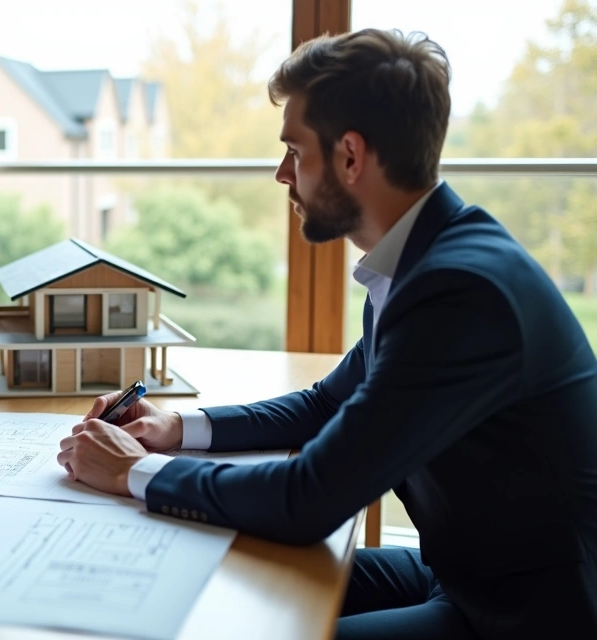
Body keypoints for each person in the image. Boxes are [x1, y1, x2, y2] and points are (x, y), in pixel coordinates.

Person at [56, 28, 597, 639]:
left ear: (350, 156)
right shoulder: (423, 262)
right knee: (216, 577)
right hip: (463, 571)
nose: (282, 173)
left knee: (253, 626)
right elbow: (327, 404)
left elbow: (309, 499)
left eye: (294, 150)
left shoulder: (461, 292)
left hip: (531, 613)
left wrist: (134, 471)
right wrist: (175, 430)